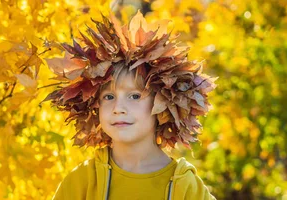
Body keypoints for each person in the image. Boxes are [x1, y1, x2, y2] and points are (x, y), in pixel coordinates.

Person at [44, 11, 217, 200]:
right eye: (109, 96)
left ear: (164, 104)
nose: (118, 107)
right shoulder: (82, 182)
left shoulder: (185, 187)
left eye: (134, 96)